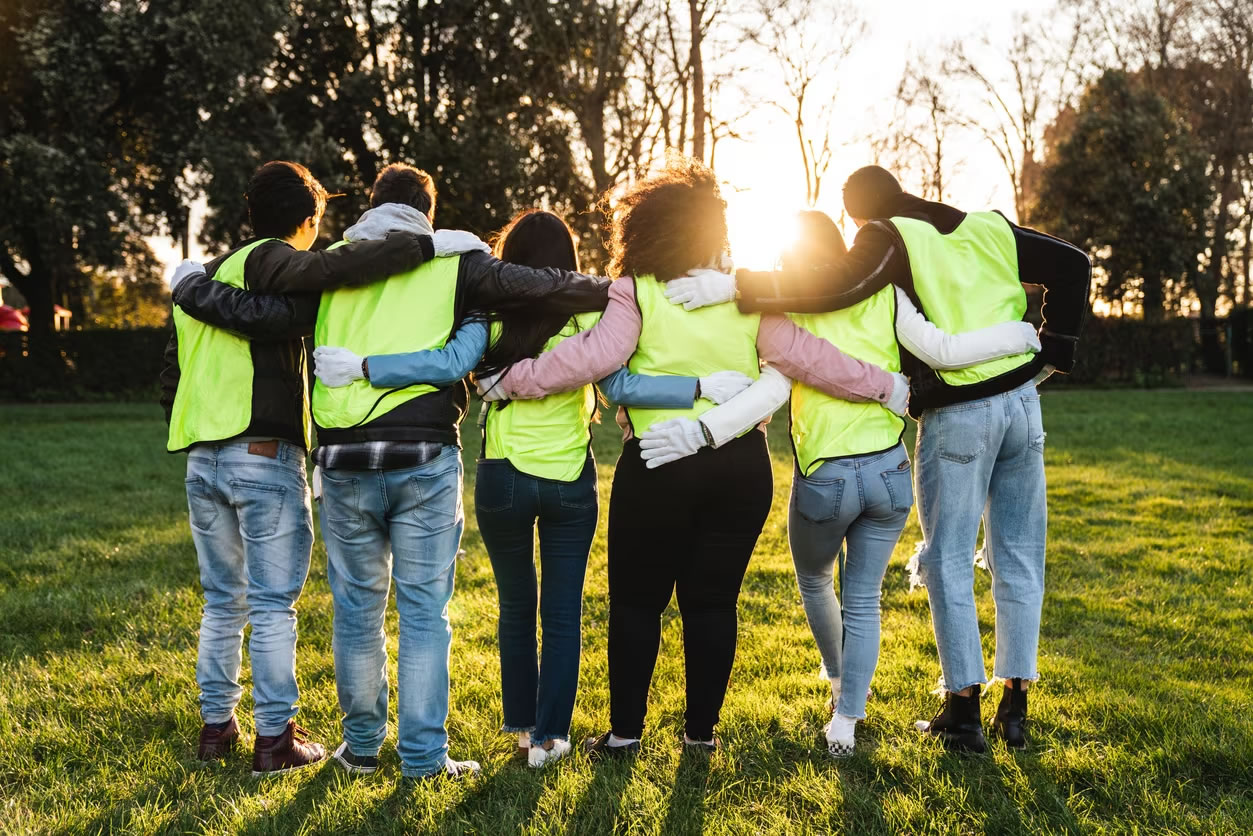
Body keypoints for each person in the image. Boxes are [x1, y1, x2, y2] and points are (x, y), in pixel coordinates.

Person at [481, 159, 909, 756]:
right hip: (739, 470)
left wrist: (511, 380)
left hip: (656, 469)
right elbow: (809, 356)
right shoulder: (747, 298)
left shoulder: (635, 294)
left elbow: (586, 359)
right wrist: (884, 385)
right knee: (712, 603)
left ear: (645, 229)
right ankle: (700, 735)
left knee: (636, 603)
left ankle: (626, 734)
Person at [660, 165, 1092, 752]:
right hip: (1022, 405)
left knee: (947, 561)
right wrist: (1054, 349)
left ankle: (964, 710)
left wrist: (735, 284)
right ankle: (1015, 706)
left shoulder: (887, 236)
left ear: (859, 216)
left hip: (962, 413)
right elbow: (1073, 266)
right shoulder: (989, 228)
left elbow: (835, 284)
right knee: (1018, 555)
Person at [314, 209, 751, 768]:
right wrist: (696, 385)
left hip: (504, 479)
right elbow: (619, 382)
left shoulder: (489, 316)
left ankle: (522, 732)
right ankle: (553, 737)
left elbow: (457, 366)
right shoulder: (591, 317)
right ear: (567, 262)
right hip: (570, 480)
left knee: (516, 609)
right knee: (563, 614)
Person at [159, 160, 436, 776]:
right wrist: (418, 245)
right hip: (261, 453)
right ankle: (275, 738)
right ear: (308, 221)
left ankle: (215, 728)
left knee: (221, 599)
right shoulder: (270, 260)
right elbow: (333, 270)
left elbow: (171, 377)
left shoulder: (203, 277)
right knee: (271, 604)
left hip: (201, 458)